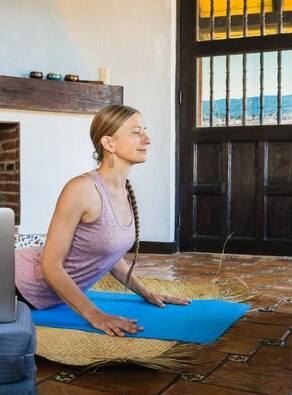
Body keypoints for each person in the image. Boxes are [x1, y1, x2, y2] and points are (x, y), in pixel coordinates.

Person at [15, 105, 191, 337]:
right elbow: (50, 266)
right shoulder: (81, 189)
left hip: (46, 298)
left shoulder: (123, 190)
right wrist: (95, 315)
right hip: (14, 285)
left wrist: (146, 293)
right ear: (109, 143)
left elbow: (109, 255)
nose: (147, 139)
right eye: (136, 132)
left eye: (145, 131)